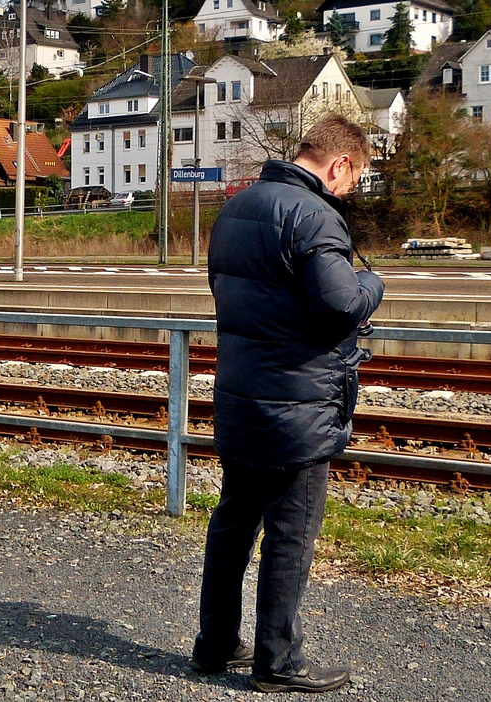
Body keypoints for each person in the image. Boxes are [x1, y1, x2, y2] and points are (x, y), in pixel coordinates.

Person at [190, 114, 384, 694]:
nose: (351, 192)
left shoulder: (237, 209)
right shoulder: (314, 216)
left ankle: (215, 644)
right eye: (355, 179)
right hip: (298, 403)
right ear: (340, 163)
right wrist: (375, 284)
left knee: (232, 523)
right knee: (291, 533)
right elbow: (341, 305)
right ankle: (278, 661)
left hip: (241, 396)